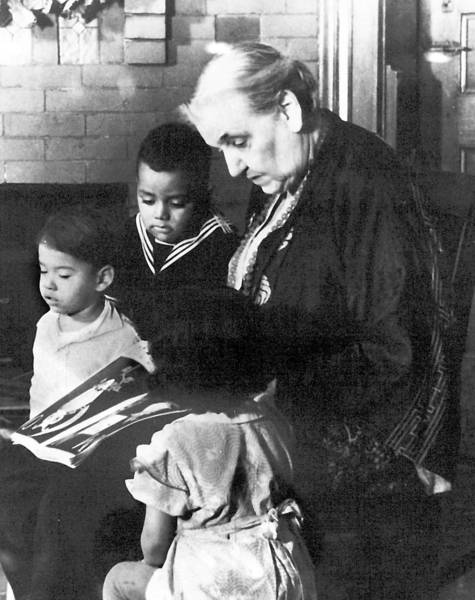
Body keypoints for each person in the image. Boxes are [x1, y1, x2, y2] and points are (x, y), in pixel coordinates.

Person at [182, 41, 459, 599]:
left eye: (238, 141)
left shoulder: (368, 182)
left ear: (288, 109)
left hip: (365, 435)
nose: (233, 167)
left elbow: (396, 352)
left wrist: (276, 397)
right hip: (287, 410)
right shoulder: (287, 173)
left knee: (181, 490)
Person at [102, 285, 317, 600]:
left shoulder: (174, 442)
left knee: (120, 579)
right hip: (284, 578)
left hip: (212, 585)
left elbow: (154, 547)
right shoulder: (274, 422)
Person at [0, 205, 155, 600]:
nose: (49, 285)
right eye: (43, 271)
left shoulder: (125, 337)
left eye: (64, 275)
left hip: (94, 460)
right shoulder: (46, 325)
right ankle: (25, 584)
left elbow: (136, 405)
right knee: (7, 492)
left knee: (55, 515)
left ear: (102, 278)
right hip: (42, 446)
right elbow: (40, 391)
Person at [109, 121, 239, 323]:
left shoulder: (221, 245)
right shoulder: (126, 234)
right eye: (148, 200)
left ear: (203, 195)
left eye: (177, 203)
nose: (160, 214)